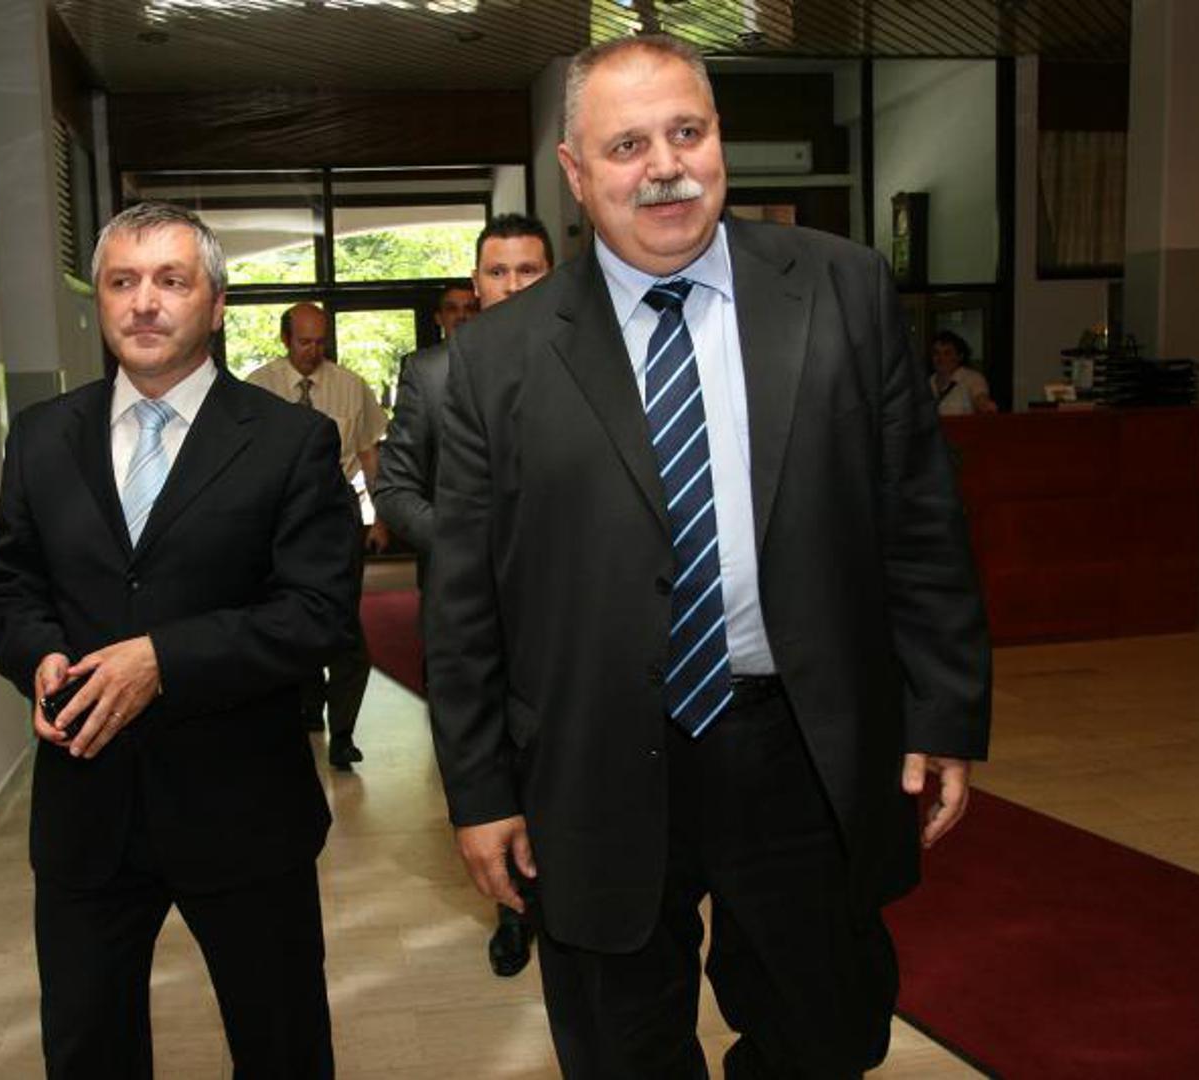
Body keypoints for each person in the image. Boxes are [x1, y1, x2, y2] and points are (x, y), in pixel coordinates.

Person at [426, 35, 991, 1078]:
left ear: (719, 137)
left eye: (686, 132)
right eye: (627, 145)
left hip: (799, 740)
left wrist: (942, 710)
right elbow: (463, 601)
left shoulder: (843, 289)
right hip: (593, 756)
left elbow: (917, 518)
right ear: (574, 172)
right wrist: (479, 790)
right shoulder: (497, 358)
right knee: (619, 1047)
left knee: (823, 1034)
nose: (665, 167)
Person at [0, 201, 357, 1078]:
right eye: (122, 282)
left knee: (281, 1047)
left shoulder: (290, 442)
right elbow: (10, 588)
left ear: (215, 306)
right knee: (87, 1050)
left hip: (242, 809)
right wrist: (36, 655)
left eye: (171, 281)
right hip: (88, 809)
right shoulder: (42, 437)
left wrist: (163, 660)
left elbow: (316, 613)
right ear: (101, 302)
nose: (144, 302)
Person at [373, 213, 555, 980]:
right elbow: (395, 488)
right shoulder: (433, 374)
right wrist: (469, 546)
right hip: (474, 609)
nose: (512, 285)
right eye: (497, 272)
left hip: (574, 607)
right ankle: (514, 911)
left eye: (527, 270)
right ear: (475, 285)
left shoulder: (594, 361)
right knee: (494, 759)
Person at [247, 303, 388, 770]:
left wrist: (381, 517)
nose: (314, 351)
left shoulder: (351, 386)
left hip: (337, 509)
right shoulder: (258, 388)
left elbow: (368, 455)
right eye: (305, 342)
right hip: (279, 515)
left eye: (321, 341)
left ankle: (343, 732)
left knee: (343, 621)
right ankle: (308, 704)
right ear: (285, 339)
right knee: (292, 612)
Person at [929, 329, 997, 415]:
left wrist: (984, 405)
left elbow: (980, 399)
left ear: (959, 357)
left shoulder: (972, 379)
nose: (941, 358)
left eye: (947, 353)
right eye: (936, 353)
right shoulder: (927, 384)